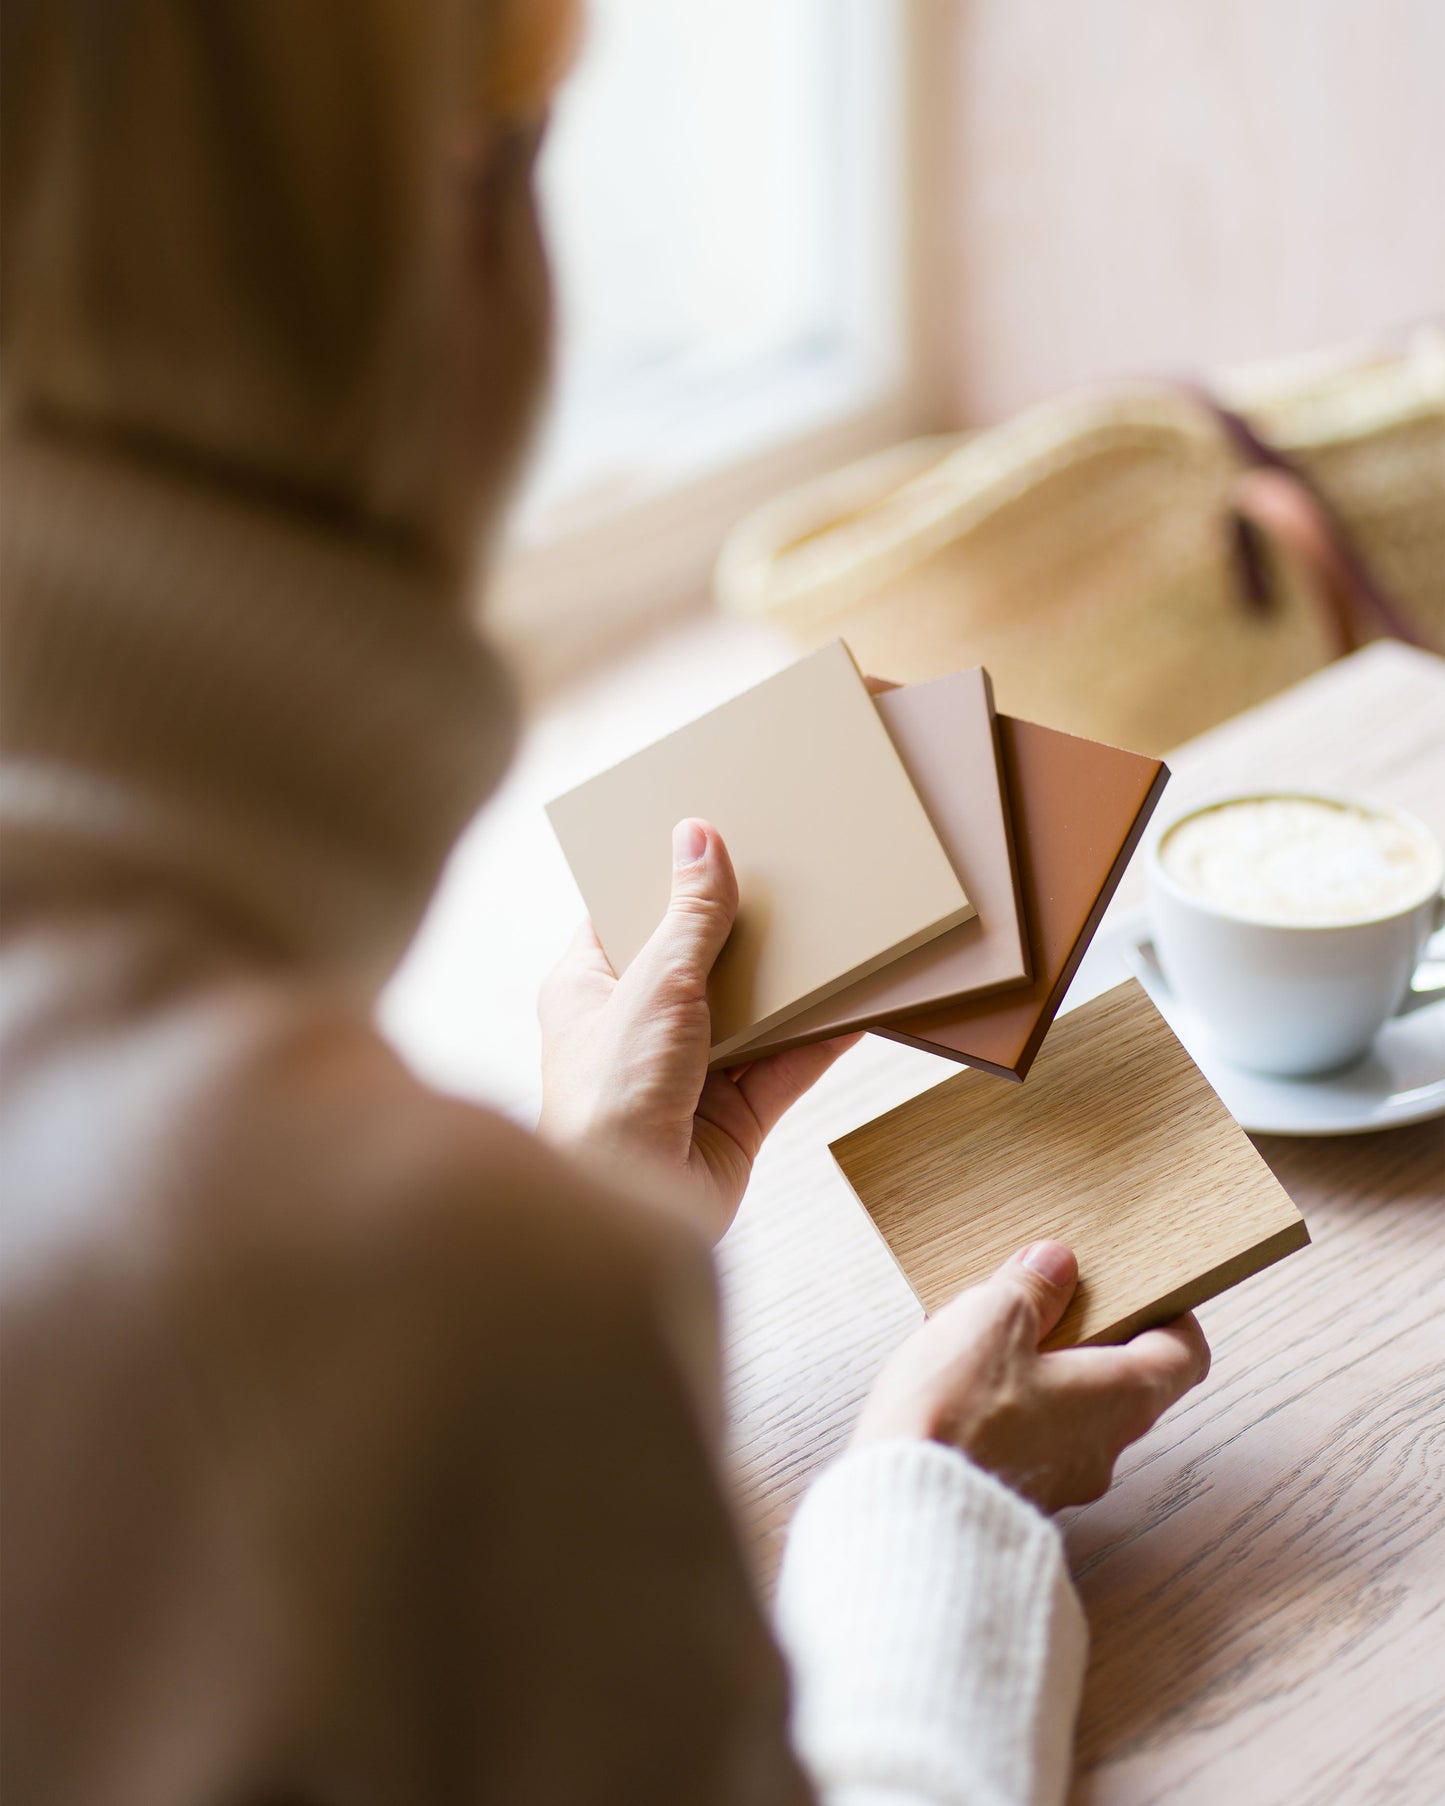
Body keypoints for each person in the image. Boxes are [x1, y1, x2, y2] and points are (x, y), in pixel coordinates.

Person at [0, 4, 1210, 1802]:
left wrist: (581, 1201)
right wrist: (924, 1508)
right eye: (520, 146)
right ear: (454, 243)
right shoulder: (404, 1300)